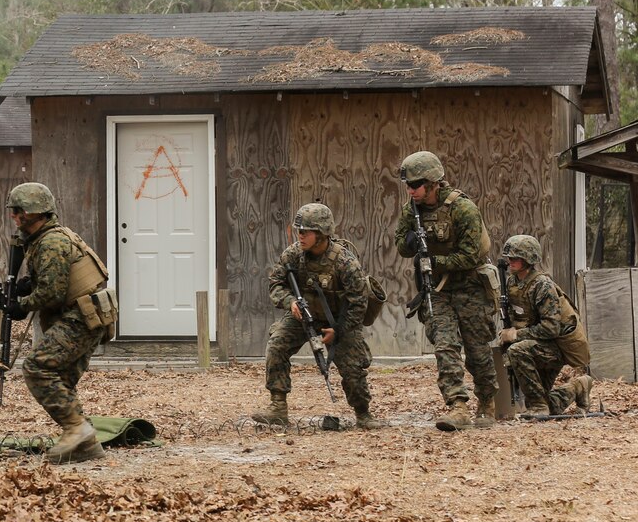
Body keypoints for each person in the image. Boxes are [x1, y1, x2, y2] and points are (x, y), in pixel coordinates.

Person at [2, 182, 116, 464]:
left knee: (37, 367)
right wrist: (27, 285)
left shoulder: (51, 242)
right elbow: (54, 281)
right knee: (61, 379)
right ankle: (85, 444)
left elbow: (52, 293)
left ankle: (77, 429)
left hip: (79, 317)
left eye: (17, 211)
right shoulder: (47, 238)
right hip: (85, 316)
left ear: (32, 212)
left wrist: (20, 306)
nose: (14, 217)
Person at [252, 203, 382, 430]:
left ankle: (363, 413)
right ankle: (278, 407)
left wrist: (339, 330)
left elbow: (358, 303)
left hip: (339, 321)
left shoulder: (345, 262)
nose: (299, 236)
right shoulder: (293, 255)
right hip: (303, 315)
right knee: (277, 345)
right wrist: (290, 301)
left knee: (352, 367)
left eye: (305, 232)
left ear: (322, 234)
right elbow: (276, 283)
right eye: (298, 231)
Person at [394, 151, 499, 431]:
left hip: (470, 287)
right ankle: (458, 405)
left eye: (415, 185)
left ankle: (487, 400)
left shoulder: (463, 209)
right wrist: (411, 241)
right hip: (437, 291)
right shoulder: (411, 210)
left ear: (432, 183)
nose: (410, 191)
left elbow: (469, 255)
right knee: (444, 345)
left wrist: (435, 261)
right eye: (408, 185)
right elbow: (400, 246)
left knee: (477, 351)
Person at [498, 235, 593, 416]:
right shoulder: (512, 282)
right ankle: (579, 386)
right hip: (536, 346)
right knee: (548, 404)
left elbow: (551, 328)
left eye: (516, 258)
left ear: (529, 259)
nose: (510, 261)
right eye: (509, 257)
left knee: (517, 350)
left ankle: (538, 407)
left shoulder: (542, 285)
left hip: (554, 348)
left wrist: (516, 335)